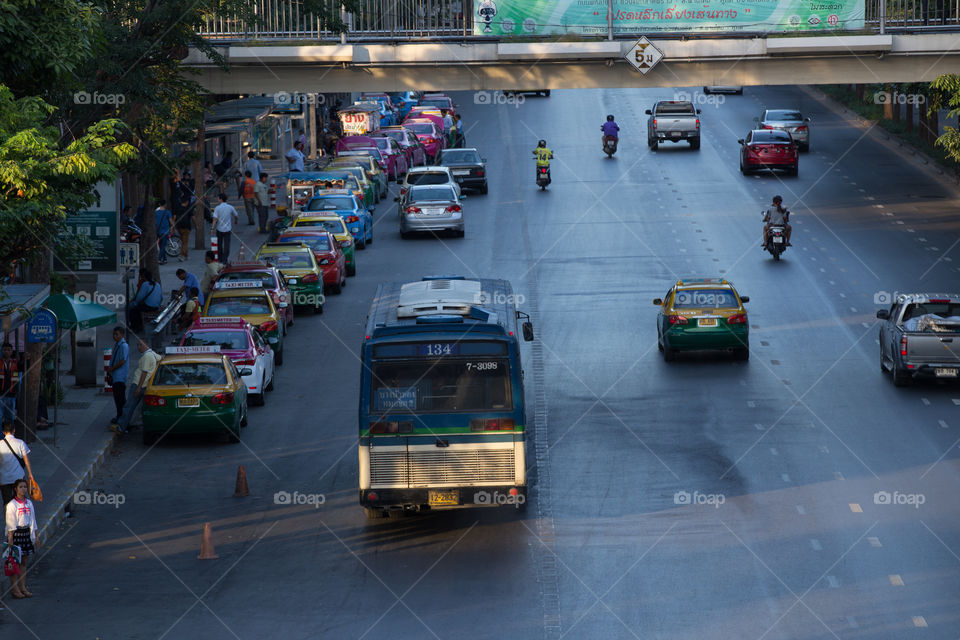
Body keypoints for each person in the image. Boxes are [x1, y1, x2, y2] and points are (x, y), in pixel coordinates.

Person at [110, 338, 162, 435]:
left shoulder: (147, 356)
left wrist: (138, 387)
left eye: (140, 345)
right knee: (135, 408)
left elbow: (144, 372)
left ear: (146, 345)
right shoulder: (153, 354)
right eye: (137, 345)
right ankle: (128, 425)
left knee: (128, 406)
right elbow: (160, 358)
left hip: (138, 384)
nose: (138, 347)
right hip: (144, 385)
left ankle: (121, 427)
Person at [5, 478, 37, 598]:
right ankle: (15, 588)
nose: (23, 489)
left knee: (23, 562)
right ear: (15, 489)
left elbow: (33, 520)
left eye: (25, 487)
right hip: (15, 535)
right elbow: (10, 523)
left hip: (25, 534)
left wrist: (35, 535)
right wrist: (10, 539)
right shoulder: (12, 504)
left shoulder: (28, 503)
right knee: (13, 563)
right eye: (21, 487)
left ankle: (22, 586)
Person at [0, 420, 32, 506]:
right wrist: (30, 473)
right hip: (18, 477)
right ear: (14, 430)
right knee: (20, 501)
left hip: (4, 478)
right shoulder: (20, 443)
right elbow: (26, 460)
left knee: (7, 503)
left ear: (3, 432)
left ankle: (8, 518)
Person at [106, 327, 129, 425]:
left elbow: (122, 361)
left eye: (117, 334)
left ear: (122, 335)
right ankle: (120, 416)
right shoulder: (117, 345)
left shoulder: (123, 346)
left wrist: (112, 368)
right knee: (117, 398)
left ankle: (122, 418)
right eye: (114, 334)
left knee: (120, 399)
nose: (115, 336)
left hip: (120, 376)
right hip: (115, 376)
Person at [128, 268, 162, 333]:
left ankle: (135, 327)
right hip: (156, 306)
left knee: (132, 309)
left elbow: (139, 298)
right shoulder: (157, 284)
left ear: (144, 277)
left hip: (149, 306)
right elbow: (161, 298)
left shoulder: (145, 284)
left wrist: (134, 303)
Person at [212, 193, 239, 264]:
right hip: (227, 229)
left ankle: (220, 258)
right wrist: (236, 221)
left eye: (218, 198)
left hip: (219, 229)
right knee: (227, 245)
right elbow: (236, 215)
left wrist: (212, 228)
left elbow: (215, 219)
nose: (218, 200)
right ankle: (225, 259)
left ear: (221, 199)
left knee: (219, 244)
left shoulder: (217, 208)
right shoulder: (230, 207)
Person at [0, 344, 19, 425]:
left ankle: (9, 436)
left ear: (11, 352)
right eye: (5, 350)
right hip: (1, 395)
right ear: (2, 351)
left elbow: (25, 367)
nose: (6, 352)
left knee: (10, 418)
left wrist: (27, 359)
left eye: (8, 350)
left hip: (11, 395)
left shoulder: (15, 363)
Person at [174, 192, 193, 262]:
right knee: (185, 242)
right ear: (187, 202)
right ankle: (181, 255)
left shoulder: (177, 207)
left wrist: (173, 225)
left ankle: (186, 255)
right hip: (186, 226)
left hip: (179, 226)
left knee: (183, 241)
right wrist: (196, 225)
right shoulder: (188, 208)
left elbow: (174, 216)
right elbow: (193, 217)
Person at [155, 199, 173, 265]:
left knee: (161, 245)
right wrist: (173, 227)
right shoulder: (167, 212)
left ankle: (164, 259)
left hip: (158, 231)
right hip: (165, 231)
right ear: (165, 204)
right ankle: (159, 259)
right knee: (163, 246)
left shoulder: (156, 212)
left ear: (159, 204)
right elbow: (171, 221)